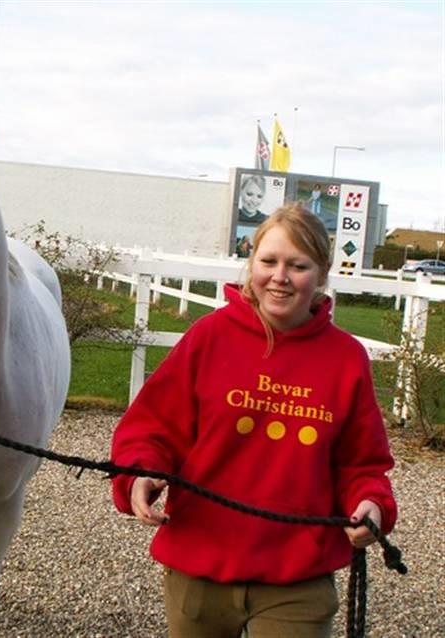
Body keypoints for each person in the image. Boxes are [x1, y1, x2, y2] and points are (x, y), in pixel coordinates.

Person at [111, 204, 397, 638]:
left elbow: (362, 463)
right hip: (200, 566)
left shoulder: (346, 359)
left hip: (298, 577)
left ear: (320, 274)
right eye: (269, 261)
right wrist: (138, 475)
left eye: (297, 266)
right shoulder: (209, 337)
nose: (279, 277)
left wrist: (371, 503)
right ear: (252, 265)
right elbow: (152, 428)